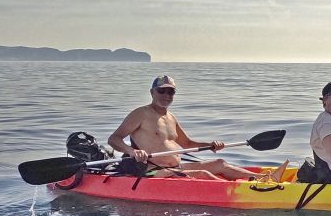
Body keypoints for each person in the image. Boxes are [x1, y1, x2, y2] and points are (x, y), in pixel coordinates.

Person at [108, 76, 287, 181]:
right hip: (152, 171)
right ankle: (247, 191)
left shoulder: (170, 117)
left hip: (176, 166)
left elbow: (187, 144)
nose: (166, 95)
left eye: (170, 92)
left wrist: (211, 145)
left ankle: (264, 181)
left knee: (220, 163)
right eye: (161, 91)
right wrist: (132, 152)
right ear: (152, 92)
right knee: (203, 173)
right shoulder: (140, 114)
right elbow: (114, 139)